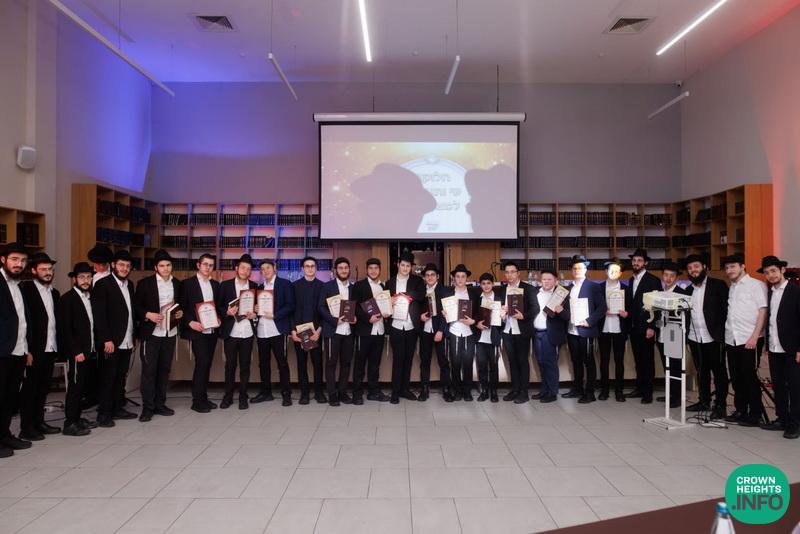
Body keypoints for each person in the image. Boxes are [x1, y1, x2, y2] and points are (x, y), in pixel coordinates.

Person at [133, 249, 182, 422]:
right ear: (156, 267)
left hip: (170, 332)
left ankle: (160, 404)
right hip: (151, 333)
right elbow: (136, 306)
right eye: (162, 266)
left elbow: (180, 305)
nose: (166, 268)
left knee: (164, 369)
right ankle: (148, 407)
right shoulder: (144, 284)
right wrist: (148, 314)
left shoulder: (177, 283)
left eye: (168, 265)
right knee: (149, 370)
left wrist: (180, 313)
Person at [91, 249, 138, 427]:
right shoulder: (103, 284)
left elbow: (131, 312)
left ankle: (117, 408)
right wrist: (106, 339)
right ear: (113, 265)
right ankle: (103, 414)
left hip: (126, 338)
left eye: (128, 266)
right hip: (111, 341)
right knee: (107, 377)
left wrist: (133, 335)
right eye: (121, 265)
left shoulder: (130, 285)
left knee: (121, 376)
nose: (125, 268)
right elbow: (99, 314)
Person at [19, 253, 61, 440]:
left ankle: (39, 422)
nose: (48, 272)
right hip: (33, 349)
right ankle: (26, 428)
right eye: (43, 269)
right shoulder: (25, 290)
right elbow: (23, 321)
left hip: (50, 347)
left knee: (43, 388)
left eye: (50, 269)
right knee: (30, 389)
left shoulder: (54, 293)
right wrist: (26, 349)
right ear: (34, 271)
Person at [723, 253, 768, 426]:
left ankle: (755, 413)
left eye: (733, 266)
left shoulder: (756, 285)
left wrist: (755, 336)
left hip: (749, 338)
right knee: (736, 376)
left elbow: (763, 311)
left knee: (749, 376)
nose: (729, 270)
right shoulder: (732, 287)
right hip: (732, 338)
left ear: (742, 266)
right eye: (727, 268)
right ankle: (741, 410)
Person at [759, 256, 800, 439]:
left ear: (782, 270)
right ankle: (782, 418)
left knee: (795, 387)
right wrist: (768, 344)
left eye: (773, 271)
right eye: (767, 272)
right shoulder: (769, 293)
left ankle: (795, 423)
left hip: (792, 348)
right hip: (775, 347)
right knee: (779, 386)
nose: (770, 275)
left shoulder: (795, 291)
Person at [684, 254, 729, 419]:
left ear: (704, 267)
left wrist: (723, 334)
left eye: (696, 266)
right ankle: (704, 401)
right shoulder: (688, 290)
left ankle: (720, 405)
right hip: (695, 337)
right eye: (689, 268)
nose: (693, 270)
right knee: (701, 371)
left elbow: (726, 311)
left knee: (719, 372)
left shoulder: (718, 285)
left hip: (714, 337)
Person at [0, 243, 33, 456]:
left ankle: (5, 435)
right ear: (3, 259)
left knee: (9, 398)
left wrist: (26, 348)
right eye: (14, 259)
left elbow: (21, 320)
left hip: (18, 350)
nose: (19, 264)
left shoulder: (18, 285)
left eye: (22, 260)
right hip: (2, 351)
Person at [58, 263, 97, 436]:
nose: (85, 280)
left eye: (88, 277)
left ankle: (77, 417)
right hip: (77, 352)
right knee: (75, 387)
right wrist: (75, 351)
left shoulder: (90, 297)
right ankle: (70, 423)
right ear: (74, 279)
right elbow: (65, 329)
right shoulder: (67, 299)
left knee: (83, 386)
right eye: (82, 277)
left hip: (89, 349)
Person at [180, 253, 221, 413]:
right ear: (198, 265)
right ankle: (197, 401)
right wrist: (191, 323)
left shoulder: (215, 285)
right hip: (196, 330)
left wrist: (219, 319)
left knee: (207, 364)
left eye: (211, 265)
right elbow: (182, 307)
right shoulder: (187, 284)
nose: (208, 267)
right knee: (202, 363)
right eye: (205, 264)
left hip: (212, 330)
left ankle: (203, 398)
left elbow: (217, 307)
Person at [563, 255, 606, 404]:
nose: (577, 271)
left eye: (580, 268)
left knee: (589, 361)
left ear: (586, 270)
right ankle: (577, 389)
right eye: (574, 268)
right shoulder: (568, 288)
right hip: (571, 331)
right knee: (576, 361)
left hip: (586, 331)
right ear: (571, 270)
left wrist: (589, 321)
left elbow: (602, 308)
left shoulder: (593, 286)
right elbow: (566, 310)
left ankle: (590, 392)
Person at [253, 259, 296, 407]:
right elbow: (256, 308)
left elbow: (290, 306)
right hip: (262, 330)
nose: (265, 271)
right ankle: (266, 393)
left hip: (277, 329)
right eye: (263, 269)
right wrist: (256, 309)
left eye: (268, 268)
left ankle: (286, 394)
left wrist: (275, 315)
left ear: (274, 268)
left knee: (282, 363)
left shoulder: (285, 284)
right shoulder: (259, 287)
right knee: (263, 363)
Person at [218, 254, 258, 410]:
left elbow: (257, 308)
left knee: (245, 366)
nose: (245, 271)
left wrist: (255, 314)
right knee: (230, 366)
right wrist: (227, 312)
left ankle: (243, 396)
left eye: (248, 269)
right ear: (237, 268)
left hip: (247, 332)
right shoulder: (225, 285)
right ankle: (227, 396)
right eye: (243, 268)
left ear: (250, 272)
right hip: (231, 332)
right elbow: (219, 306)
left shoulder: (255, 286)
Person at [385, 251, 426, 402]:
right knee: (398, 359)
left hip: (411, 325)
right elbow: (385, 302)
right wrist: (390, 300)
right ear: (398, 265)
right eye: (403, 265)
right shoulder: (389, 282)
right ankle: (395, 392)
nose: (405, 268)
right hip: (396, 325)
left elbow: (421, 295)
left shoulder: (417, 281)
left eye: (408, 266)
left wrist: (403, 295)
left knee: (408, 359)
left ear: (411, 267)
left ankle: (405, 390)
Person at [624, 248, 662, 404]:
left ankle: (648, 392)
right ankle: (639, 388)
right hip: (634, 327)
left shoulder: (653, 280)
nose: (636, 263)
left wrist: (652, 326)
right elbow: (633, 304)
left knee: (647, 360)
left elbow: (657, 305)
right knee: (638, 360)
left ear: (645, 263)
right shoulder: (631, 280)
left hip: (646, 327)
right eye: (634, 260)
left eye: (639, 261)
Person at [351, 258, 391, 404]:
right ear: (367, 270)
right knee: (360, 363)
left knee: (375, 364)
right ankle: (357, 393)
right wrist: (368, 318)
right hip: (364, 330)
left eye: (376, 268)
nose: (373, 271)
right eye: (371, 268)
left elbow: (386, 306)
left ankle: (373, 392)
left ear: (380, 270)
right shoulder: (359, 285)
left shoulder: (383, 287)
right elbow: (355, 307)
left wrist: (388, 313)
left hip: (379, 331)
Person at [318, 257, 357, 406]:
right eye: (340, 268)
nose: (343, 270)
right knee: (331, 363)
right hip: (332, 331)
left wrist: (355, 318)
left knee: (346, 363)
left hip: (348, 332)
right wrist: (335, 320)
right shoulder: (327, 286)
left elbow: (357, 307)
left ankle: (342, 392)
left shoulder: (353, 288)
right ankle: (332, 394)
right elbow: (321, 307)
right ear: (335, 270)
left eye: (346, 268)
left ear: (349, 269)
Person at [500, 260, 537, 403]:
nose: (509, 275)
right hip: (507, 330)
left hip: (522, 330)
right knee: (512, 361)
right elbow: (499, 308)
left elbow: (535, 308)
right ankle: (515, 389)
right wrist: (501, 312)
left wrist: (524, 316)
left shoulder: (528, 288)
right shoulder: (503, 290)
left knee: (522, 361)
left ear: (518, 273)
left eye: (512, 272)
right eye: (507, 272)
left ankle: (524, 392)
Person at [290, 256, 326, 404]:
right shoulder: (294, 286)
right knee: (301, 364)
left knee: (318, 364)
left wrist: (319, 331)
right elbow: (291, 310)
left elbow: (325, 311)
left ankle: (319, 393)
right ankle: (304, 394)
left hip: (315, 332)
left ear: (316, 268)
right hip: (299, 332)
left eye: (312, 266)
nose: (310, 268)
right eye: (307, 266)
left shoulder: (323, 286)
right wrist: (292, 330)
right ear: (302, 268)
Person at [532, 269, 569, 403]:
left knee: (550, 363)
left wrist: (561, 311)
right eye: (544, 279)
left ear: (556, 281)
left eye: (549, 279)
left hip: (550, 333)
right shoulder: (535, 292)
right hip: (536, 333)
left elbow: (567, 317)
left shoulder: (561, 294)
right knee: (540, 362)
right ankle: (544, 390)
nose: (546, 282)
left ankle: (552, 392)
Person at [654, 261, 688, 408]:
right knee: (666, 365)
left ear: (677, 278)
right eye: (666, 275)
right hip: (661, 333)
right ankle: (670, 393)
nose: (668, 278)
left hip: (675, 334)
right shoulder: (659, 292)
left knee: (675, 366)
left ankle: (677, 396)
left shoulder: (682, 293)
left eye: (671, 276)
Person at [445, 264, 480, 402]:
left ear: (466, 278)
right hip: (454, 331)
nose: (460, 279)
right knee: (455, 363)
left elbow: (479, 312)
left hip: (468, 332)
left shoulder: (473, 294)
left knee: (468, 362)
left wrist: (473, 321)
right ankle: (457, 390)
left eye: (463, 276)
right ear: (454, 278)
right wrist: (444, 313)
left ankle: (467, 391)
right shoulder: (448, 294)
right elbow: (443, 311)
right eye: (458, 276)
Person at [84, 243, 113, 409]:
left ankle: (107, 398)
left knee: (105, 365)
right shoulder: (88, 276)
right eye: (96, 264)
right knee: (90, 363)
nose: (99, 267)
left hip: (105, 325)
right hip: (89, 324)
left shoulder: (112, 277)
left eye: (102, 264)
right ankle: (90, 395)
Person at [418, 263, 451, 402]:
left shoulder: (444, 291)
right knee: (424, 361)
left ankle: (446, 389)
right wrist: (420, 317)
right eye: (427, 275)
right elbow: (416, 309)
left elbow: (447, 313)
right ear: (424, 277)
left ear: (437, 276)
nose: (430, 277)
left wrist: (441, 330)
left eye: (432, 275)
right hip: (425, 331)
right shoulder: (421, 291)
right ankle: (424, 389)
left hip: (439, 331)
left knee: (443, 361)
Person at [597, 259, 629, 402]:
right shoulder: (599, 288)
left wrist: (626, 314)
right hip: (603, 328)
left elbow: (631, 309)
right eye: (610, 270)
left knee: (619, 361)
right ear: (606, 272)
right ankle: (604, 390)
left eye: (616, 271)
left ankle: (619, 391)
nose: (613, 273)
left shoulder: (626, 289)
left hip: (619, 329)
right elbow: (594, 307)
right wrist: (602, 311)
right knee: (604, 360)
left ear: (620, 273)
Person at [475, 273, 504, 402]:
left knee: (493, 366)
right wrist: (477, 324)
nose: (486, 286)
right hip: (480, 338)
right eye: (483, 283)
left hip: (494, 337)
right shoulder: (477, 299)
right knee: (481, 366)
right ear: (480, 285)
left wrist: (503, 316)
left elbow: (503, 322)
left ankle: (493, 392)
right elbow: (473, 315)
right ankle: (484, 391)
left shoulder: (499, 299)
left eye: (488, 283)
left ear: (492, 284)